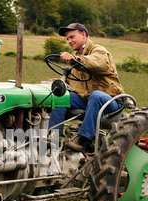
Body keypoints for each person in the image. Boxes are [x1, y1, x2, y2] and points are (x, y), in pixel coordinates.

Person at [49, 23, 125, 153]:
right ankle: (53, 137)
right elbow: (67, 80)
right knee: (60, 95)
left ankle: (83, 139)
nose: (69, 41)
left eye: (72, 37)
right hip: (86, 101)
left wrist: (75, 59)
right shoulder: (76, 61)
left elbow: (96, 63)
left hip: (110, 101)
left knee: (96, 95)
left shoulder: (98, 51)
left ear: (83, 35)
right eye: (67, 39)